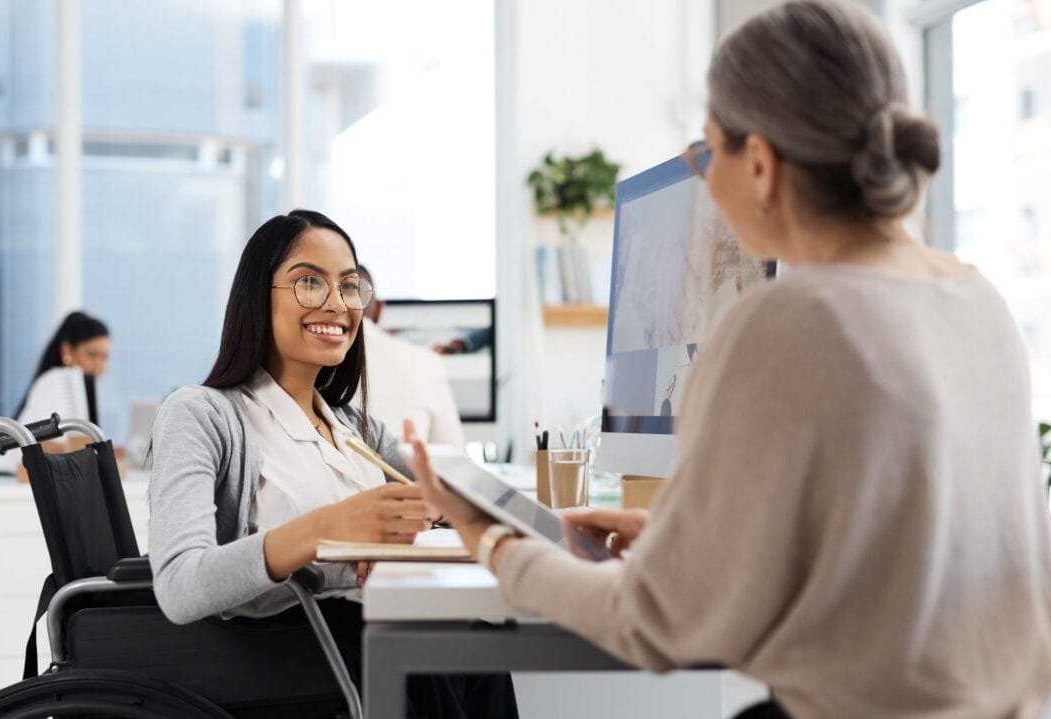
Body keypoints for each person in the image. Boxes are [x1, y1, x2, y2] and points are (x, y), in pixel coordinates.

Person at [406, 2, 1051, 718]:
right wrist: (695, 544)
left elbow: (651, 624)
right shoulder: (978, 299)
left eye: (705, 151)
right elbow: (899, 561)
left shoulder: (788, 318)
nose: (701, 178)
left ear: (764, 165)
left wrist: (489, 539)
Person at [148, 209, 518, 718]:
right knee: (431, 659)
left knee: (482, 645)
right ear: (258, 296)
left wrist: (400, 524)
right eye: (308, 283)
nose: (336, 303)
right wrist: (332, 529)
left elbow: (454, 496)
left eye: (349, 287)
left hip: (364, 636)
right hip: (279, 657)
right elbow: (180, 585)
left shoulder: (354, 427)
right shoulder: (201, 413)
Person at [357, 263, 466, 446]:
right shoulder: (427, 362)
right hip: (409, 472)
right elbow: (453, 453)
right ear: (380, 309)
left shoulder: (312, 361)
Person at [14, 310, 110, 427]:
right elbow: (30, 436)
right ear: (67, 349)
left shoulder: (87, 390)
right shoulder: (55, 380)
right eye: (92, 354)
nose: (99, 365)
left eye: (104, 357)